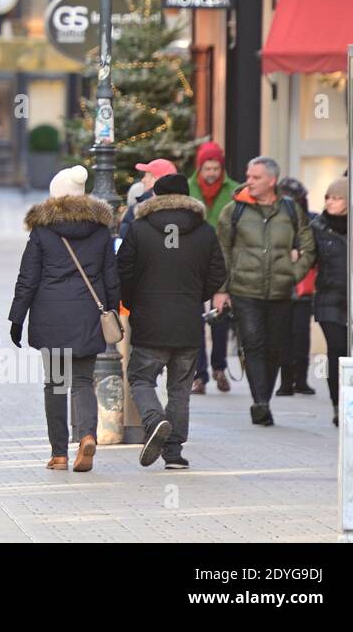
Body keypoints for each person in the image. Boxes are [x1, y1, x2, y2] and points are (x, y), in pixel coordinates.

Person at [7, 165, 117, 473]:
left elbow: (28, 278)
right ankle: (86, 435)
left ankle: (59, 454)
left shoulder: (43, 232)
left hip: (51, 318)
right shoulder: (100, 231)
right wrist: (110, 310)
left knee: (55, 384)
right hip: (88, 317)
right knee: (82, 381)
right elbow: (111, 278)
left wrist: (17, 318)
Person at [118, 174, 227, 470]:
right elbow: (218, 274)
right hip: (187, 322)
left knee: (141, 378)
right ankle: (174, 452)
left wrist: (132, 302)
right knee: (180, 389)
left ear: (156, 196)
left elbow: (123, 272)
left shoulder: (140, 229)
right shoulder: (204, 231)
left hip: (149, 320)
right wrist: (194, 297)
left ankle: (154, 420)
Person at [213, 156, 316, 427]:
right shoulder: (233, 210)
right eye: (248, 175)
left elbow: (308, 247)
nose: (249, 181)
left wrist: (293, 275)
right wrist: (222, 290)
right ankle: (261, 403)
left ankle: (264, 399)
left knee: (274, 348)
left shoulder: (290, 210)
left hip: (281, 291)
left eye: (256, 177)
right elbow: (221, 251)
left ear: (272, 181)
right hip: (244, 291)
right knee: (254, 344)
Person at [186, 141, 239, 394]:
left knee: (220, 317)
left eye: (216, 167)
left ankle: (219, 366)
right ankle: (199, 375)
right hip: (194, 261)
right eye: (207, 167)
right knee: (194, 321)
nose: (211, 173)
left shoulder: (233, 190)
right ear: (200, 167)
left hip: (221, 261)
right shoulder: (188, 188)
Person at [311, 177, 348, 426]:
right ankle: (338, 405)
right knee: (337, 351)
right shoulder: (318, 227)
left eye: (336, 198)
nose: (330, 202)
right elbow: (306, 259)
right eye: (328, 197)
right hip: (329, 298)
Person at [276, 177, 317, 397]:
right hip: (282, 286)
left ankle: (300, 379)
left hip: (302, 287)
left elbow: (313, 251)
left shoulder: (311, 222)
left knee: (301, 335)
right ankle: (286, 381)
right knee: (284, 336)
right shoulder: (276, 221)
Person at [116, 158, 179, 242]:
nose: (143, 180)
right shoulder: (185, 208)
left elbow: (125, 238)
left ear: (156, 179)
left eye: (146, 176)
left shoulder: (138, 209)